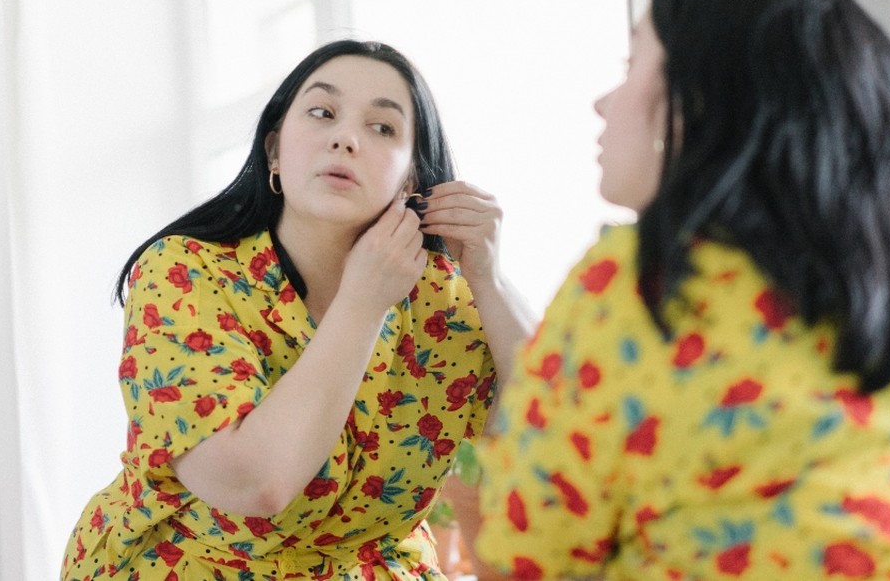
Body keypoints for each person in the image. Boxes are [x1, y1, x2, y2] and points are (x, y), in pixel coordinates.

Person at [475, 0, 890, 580]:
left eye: (629, 64)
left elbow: (524, 559)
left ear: (697, 99)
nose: (602, 102)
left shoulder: (648, 285)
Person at [61, 39, 535, 580]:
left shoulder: (437, 293)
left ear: (410, 179)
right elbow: (255, 482)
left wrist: (489, 279)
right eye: (322, 113)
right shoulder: (183, 271)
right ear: (275, 153)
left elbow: (555, 424)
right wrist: (362, 301)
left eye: (383, 127)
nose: (345, 138)